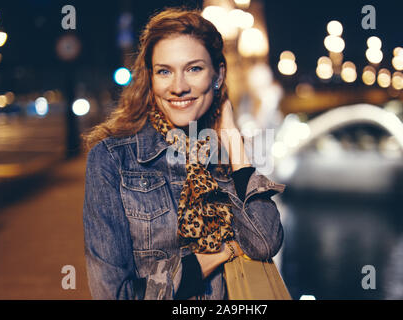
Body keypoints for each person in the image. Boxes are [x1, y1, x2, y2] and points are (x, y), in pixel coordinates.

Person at [82, 8, 285, 300]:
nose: (178, 87)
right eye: (165, 71)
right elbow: (114, 294)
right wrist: (217, 255)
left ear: (218, 75)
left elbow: (264, 241)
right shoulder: (112, 159)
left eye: (194, 69)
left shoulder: (221, 154)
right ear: (151, 79)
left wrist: (232, 138)